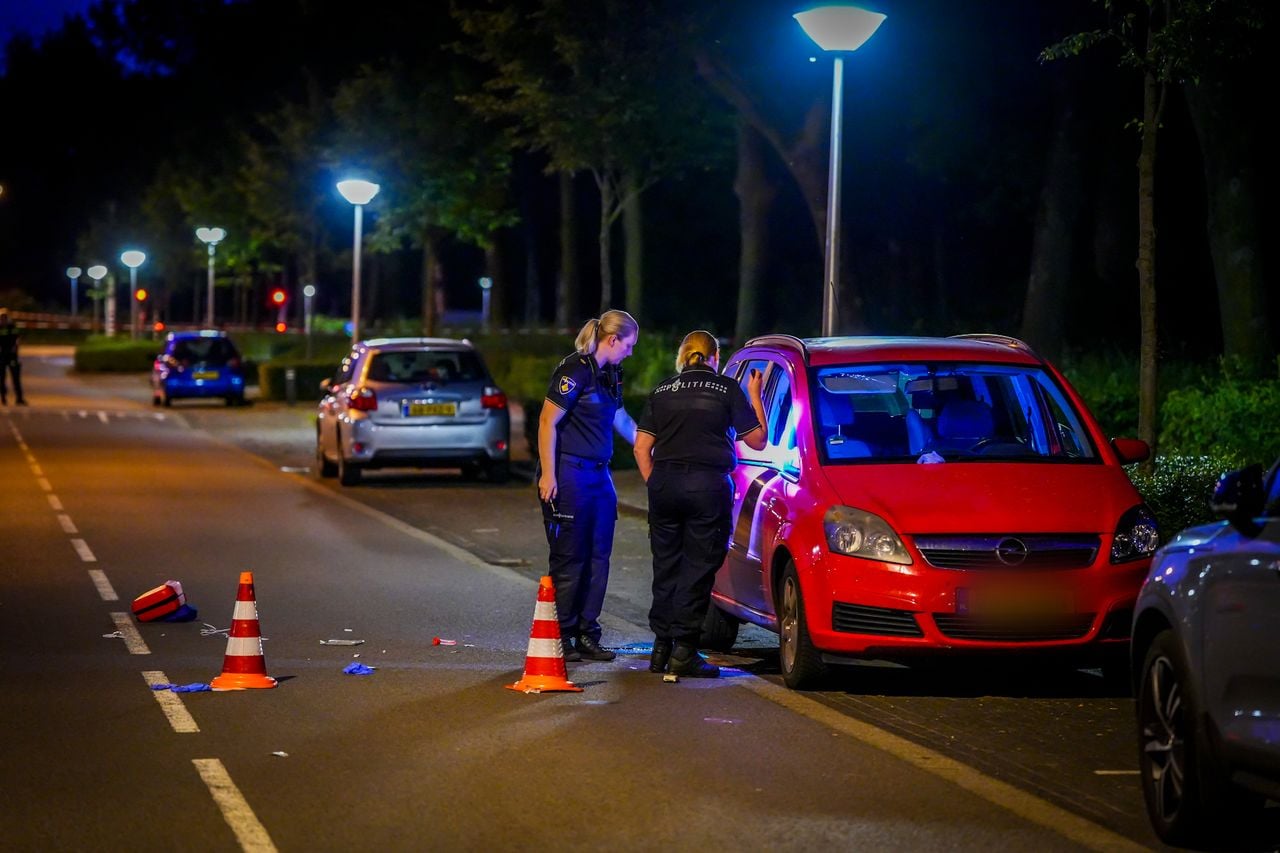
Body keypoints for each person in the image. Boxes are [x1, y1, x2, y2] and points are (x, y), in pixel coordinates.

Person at [633, 330, 766, 678]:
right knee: (698, 568)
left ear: (683, 356)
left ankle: (660, 649)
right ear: (714, 358)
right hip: (707, 486)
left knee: (666, 566)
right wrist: (755, 395)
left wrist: (657, 483)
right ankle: (685, 653)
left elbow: (641, 447)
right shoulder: (727, 390)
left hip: (665, 483)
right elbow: (758, 440)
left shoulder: (662, 390)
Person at [537, 310, 640, 662]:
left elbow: (620, 418)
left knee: (599, 557)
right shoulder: (575, 370)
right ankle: (562, 633)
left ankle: (587, 632)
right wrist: (548, 475)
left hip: (599, 475)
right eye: (628, 345)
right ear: (612, 340)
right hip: (570, 473)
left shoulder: (611, 373)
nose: (630, 352)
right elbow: (548, 421)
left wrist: (651, 444)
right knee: (570, 558)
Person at [0, 309, 26, 406]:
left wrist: (16, 346)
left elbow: (17, 338)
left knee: (16, 378)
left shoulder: (12, 327)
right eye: (2, 317)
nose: (3, 319)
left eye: (5, 317)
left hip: (12, 356)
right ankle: (3, 398)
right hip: (1, 356)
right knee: (2, 378)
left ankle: (19, 398)